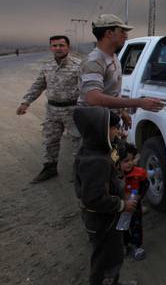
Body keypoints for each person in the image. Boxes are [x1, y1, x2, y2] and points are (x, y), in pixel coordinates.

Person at [74, 107, 138, 285]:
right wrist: (122, 205)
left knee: (113, 253)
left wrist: (121, 142)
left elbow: (115, 157)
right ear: (100, 131)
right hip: (102, 220)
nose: (117, 131)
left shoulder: (97, 149)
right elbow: (93, 199)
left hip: (107, 218)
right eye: (114, 128)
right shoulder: (96, 162)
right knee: (105, 260)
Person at [17, 35, 82, 183]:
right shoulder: (47, 66)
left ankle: (78, 171)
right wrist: (26, 102)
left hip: (73, 110)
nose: (58, 48)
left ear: (68, 47)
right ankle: (50, 168)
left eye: (61, 45)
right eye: (54, 46)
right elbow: (38, 85)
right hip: (52, 110)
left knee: (78, 142)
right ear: (50, 48)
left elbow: (85, 89)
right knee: (50, 140)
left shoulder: (79, 65)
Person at [78, 14, 163, 128]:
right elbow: (94, 98)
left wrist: (122, 113)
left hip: (107, 120)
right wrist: (139, 102)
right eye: (122, 31)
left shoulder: (113, 58)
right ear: (109, 33)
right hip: (94, 124)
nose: (126, 36)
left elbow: (110, 92)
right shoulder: (95, 61)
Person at [117, 143, 149, 261]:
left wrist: (139, 196)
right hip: (122, 206)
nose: (130, 163)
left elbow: (145, 184)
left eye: (131, 160)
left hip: (134, 205)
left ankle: (136, 246)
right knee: (122, 227)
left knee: (136, 226)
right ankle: (125, 245)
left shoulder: (139, 172)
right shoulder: (115, 177)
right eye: (125, 161)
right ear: (117, 163)